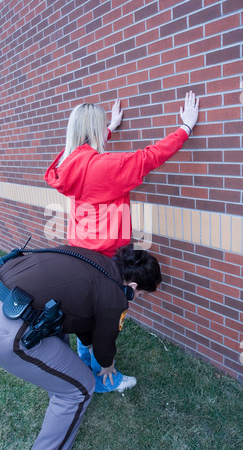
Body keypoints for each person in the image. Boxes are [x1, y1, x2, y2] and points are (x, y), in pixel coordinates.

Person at [44, 91, 200, 391]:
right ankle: (105, 378)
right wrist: (186, 127)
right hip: (104, 255)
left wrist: (111, 128)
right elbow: (150, 157)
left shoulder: (68, 163)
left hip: (78, 248)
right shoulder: (105, 166)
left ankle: (84, 355)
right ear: (93, 130)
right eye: (101, 125)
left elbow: (93, 161)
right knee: (107, 314)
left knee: (86, 309)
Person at [0, 244, 162, 450]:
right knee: (81, 389)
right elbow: (105, 339)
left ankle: (60, 393)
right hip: (1, 325)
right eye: (141, 294)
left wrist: (88, 344)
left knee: (59, 334)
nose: (138, 298)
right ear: (132, 286)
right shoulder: (115, 294)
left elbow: (83, 314)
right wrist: (107, 364)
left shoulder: (93, 259)